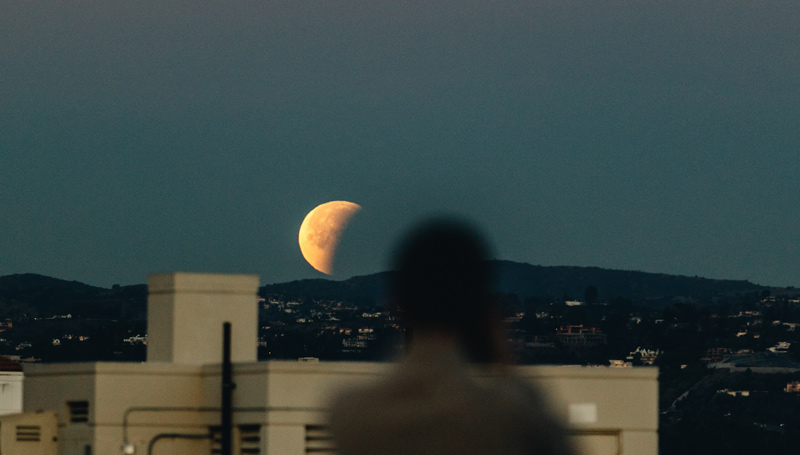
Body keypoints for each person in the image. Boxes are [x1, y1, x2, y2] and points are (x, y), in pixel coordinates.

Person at [329, 218, 576, 455]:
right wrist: (505, 360)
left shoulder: (351, 416)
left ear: (397, 303)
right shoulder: (510, 416)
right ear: (481, 307)